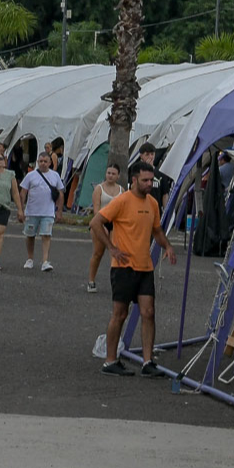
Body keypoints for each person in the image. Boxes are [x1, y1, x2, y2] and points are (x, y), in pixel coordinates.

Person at [91, 160, 178, 377]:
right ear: (134, 180)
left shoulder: (153, 203)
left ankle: (148, 362)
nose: (149, 184)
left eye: (151, 180)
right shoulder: (122, 201)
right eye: (145, 180)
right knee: (120, 314)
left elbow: (157, 231)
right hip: (123, 267)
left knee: (149, 312)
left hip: (145, 267)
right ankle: (110, 361)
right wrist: (111, 248)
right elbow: (95, 223)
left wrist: (167, 246)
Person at [19, 150, 62, 271]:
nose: (43, 163)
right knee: (30, 235)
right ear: (37, 162)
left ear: (50, 163)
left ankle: (45, 261)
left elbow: (60, 193)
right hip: (32, 211)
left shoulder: (55, 175)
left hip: (48, 212)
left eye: (45, 161)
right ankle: (30, 259)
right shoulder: (30, 175)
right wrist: (21, 210)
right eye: (41, 161)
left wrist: (59, 211)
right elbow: (23, 193)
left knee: (46, 235)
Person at [86, 163, 125, 294]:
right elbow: (96, 210)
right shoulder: (99, 189)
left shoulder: (122, 190)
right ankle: (91, 281)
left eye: (113, 174)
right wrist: (101, 226)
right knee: (98, 252)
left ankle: (117, 283)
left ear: (118, 176)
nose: (110, 176)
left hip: (116, 223)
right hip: (101, 221)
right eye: (108, 173)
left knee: (115, 253)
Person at [135, 141, 174, 211]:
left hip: (155, 210)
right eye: (147, 154)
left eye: (152, 154)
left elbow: (165, 194)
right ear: (141, 156)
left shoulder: (160, 172)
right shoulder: (136, 170)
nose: (150, 157)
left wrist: (165, 211)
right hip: (140, 209)